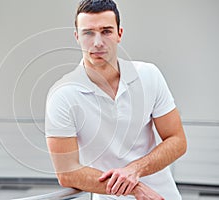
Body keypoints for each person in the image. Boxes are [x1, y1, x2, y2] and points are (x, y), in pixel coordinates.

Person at [45, 0, 187, 199]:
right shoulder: (62, 96)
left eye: (106, 31)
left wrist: (134, 170)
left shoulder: (149, 75)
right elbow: (66, 172)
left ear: (119, 34)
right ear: (77, 37)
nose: (97, 42)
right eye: (88, 33)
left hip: (161, 196)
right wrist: (134, 187)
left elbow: (178, 140)